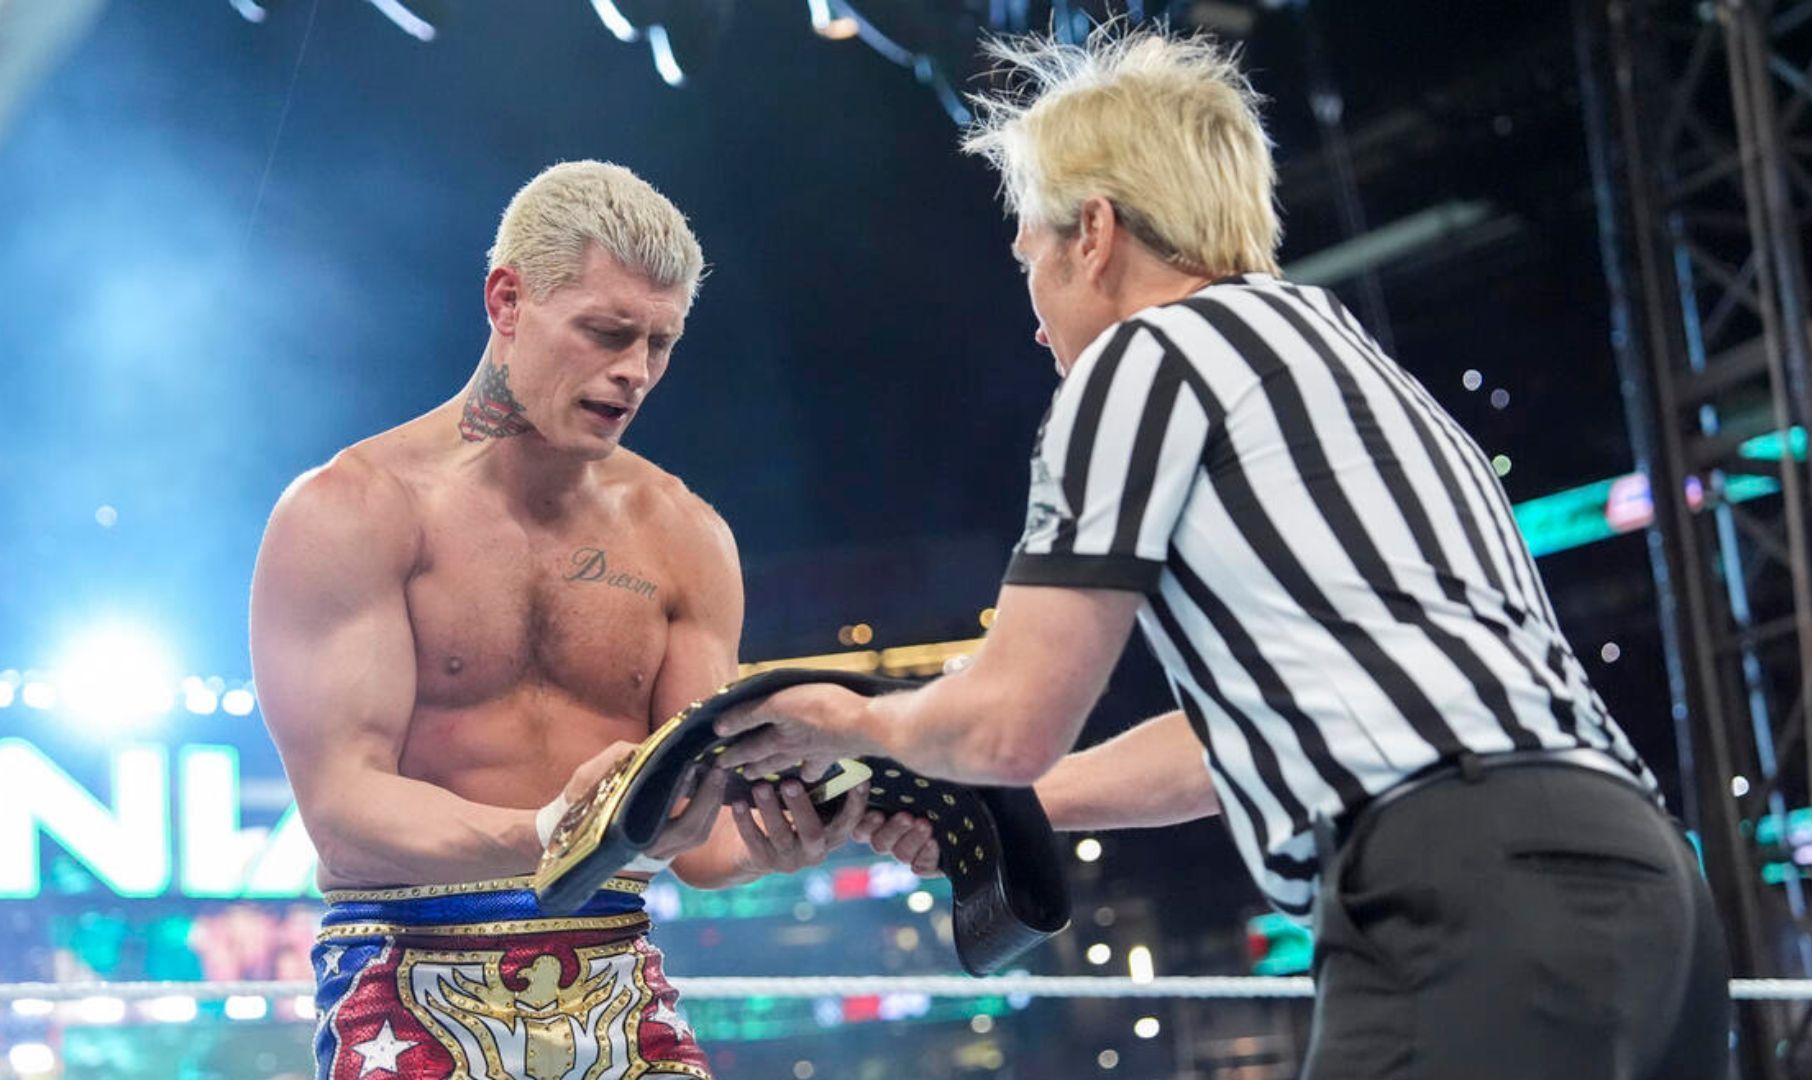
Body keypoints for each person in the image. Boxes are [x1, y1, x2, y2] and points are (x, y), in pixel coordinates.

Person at [713, 31, 1730, 1079]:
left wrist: (853, 721)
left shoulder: (1141, 361)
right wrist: (1000, 802)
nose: (1032, 319)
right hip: (1652, 889)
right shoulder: (1350, 367)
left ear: (1094, 234)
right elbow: (1251, 732)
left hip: (1463, 885)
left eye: (1031, 257)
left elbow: (1011, 721)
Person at [250, 160, 937, 1080]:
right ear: (507, 301)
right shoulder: (353, 512)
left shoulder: (685, 535)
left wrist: (796, 833)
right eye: (606, 332)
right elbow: (342, 810)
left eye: (660, 342)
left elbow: (701, 841)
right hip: (410, 973)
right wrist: (552, 830)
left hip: (617, 973)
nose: (635, 372)